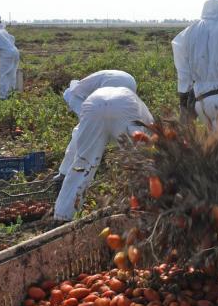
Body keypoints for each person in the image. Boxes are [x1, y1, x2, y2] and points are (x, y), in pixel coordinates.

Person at [53, 86, 153, 221]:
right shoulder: (147, 119)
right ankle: (143, 208)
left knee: (82, 164)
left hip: (94, 104)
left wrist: (65, 169)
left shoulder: (96, 96)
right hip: (125, 108)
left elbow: (77, 141)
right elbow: (147, 156)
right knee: (138, 164)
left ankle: (63, 215)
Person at [55, 70, 138, 183]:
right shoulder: (84, 89)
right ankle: (137, 159)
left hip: (112, 83)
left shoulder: (73, 98)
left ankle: (65, 173)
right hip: (129, 79)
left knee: (79, 134)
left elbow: (87, 124)